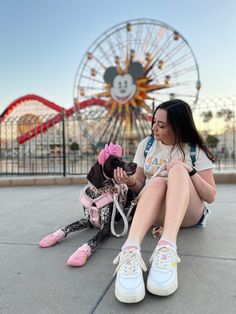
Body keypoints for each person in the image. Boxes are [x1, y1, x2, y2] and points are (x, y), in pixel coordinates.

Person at [113, 99, 216, 303]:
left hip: (187, 211)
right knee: (158, 182)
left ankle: (167, 246)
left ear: (178, 127)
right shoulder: (147, 145)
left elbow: (210, 196)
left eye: (161, 125)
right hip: (155, 210)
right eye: (154, 122)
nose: (154, 129)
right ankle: (130, 250)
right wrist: (130, 181)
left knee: (177, 169)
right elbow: (141, 184)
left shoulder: (194, 150)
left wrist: (189, 170)